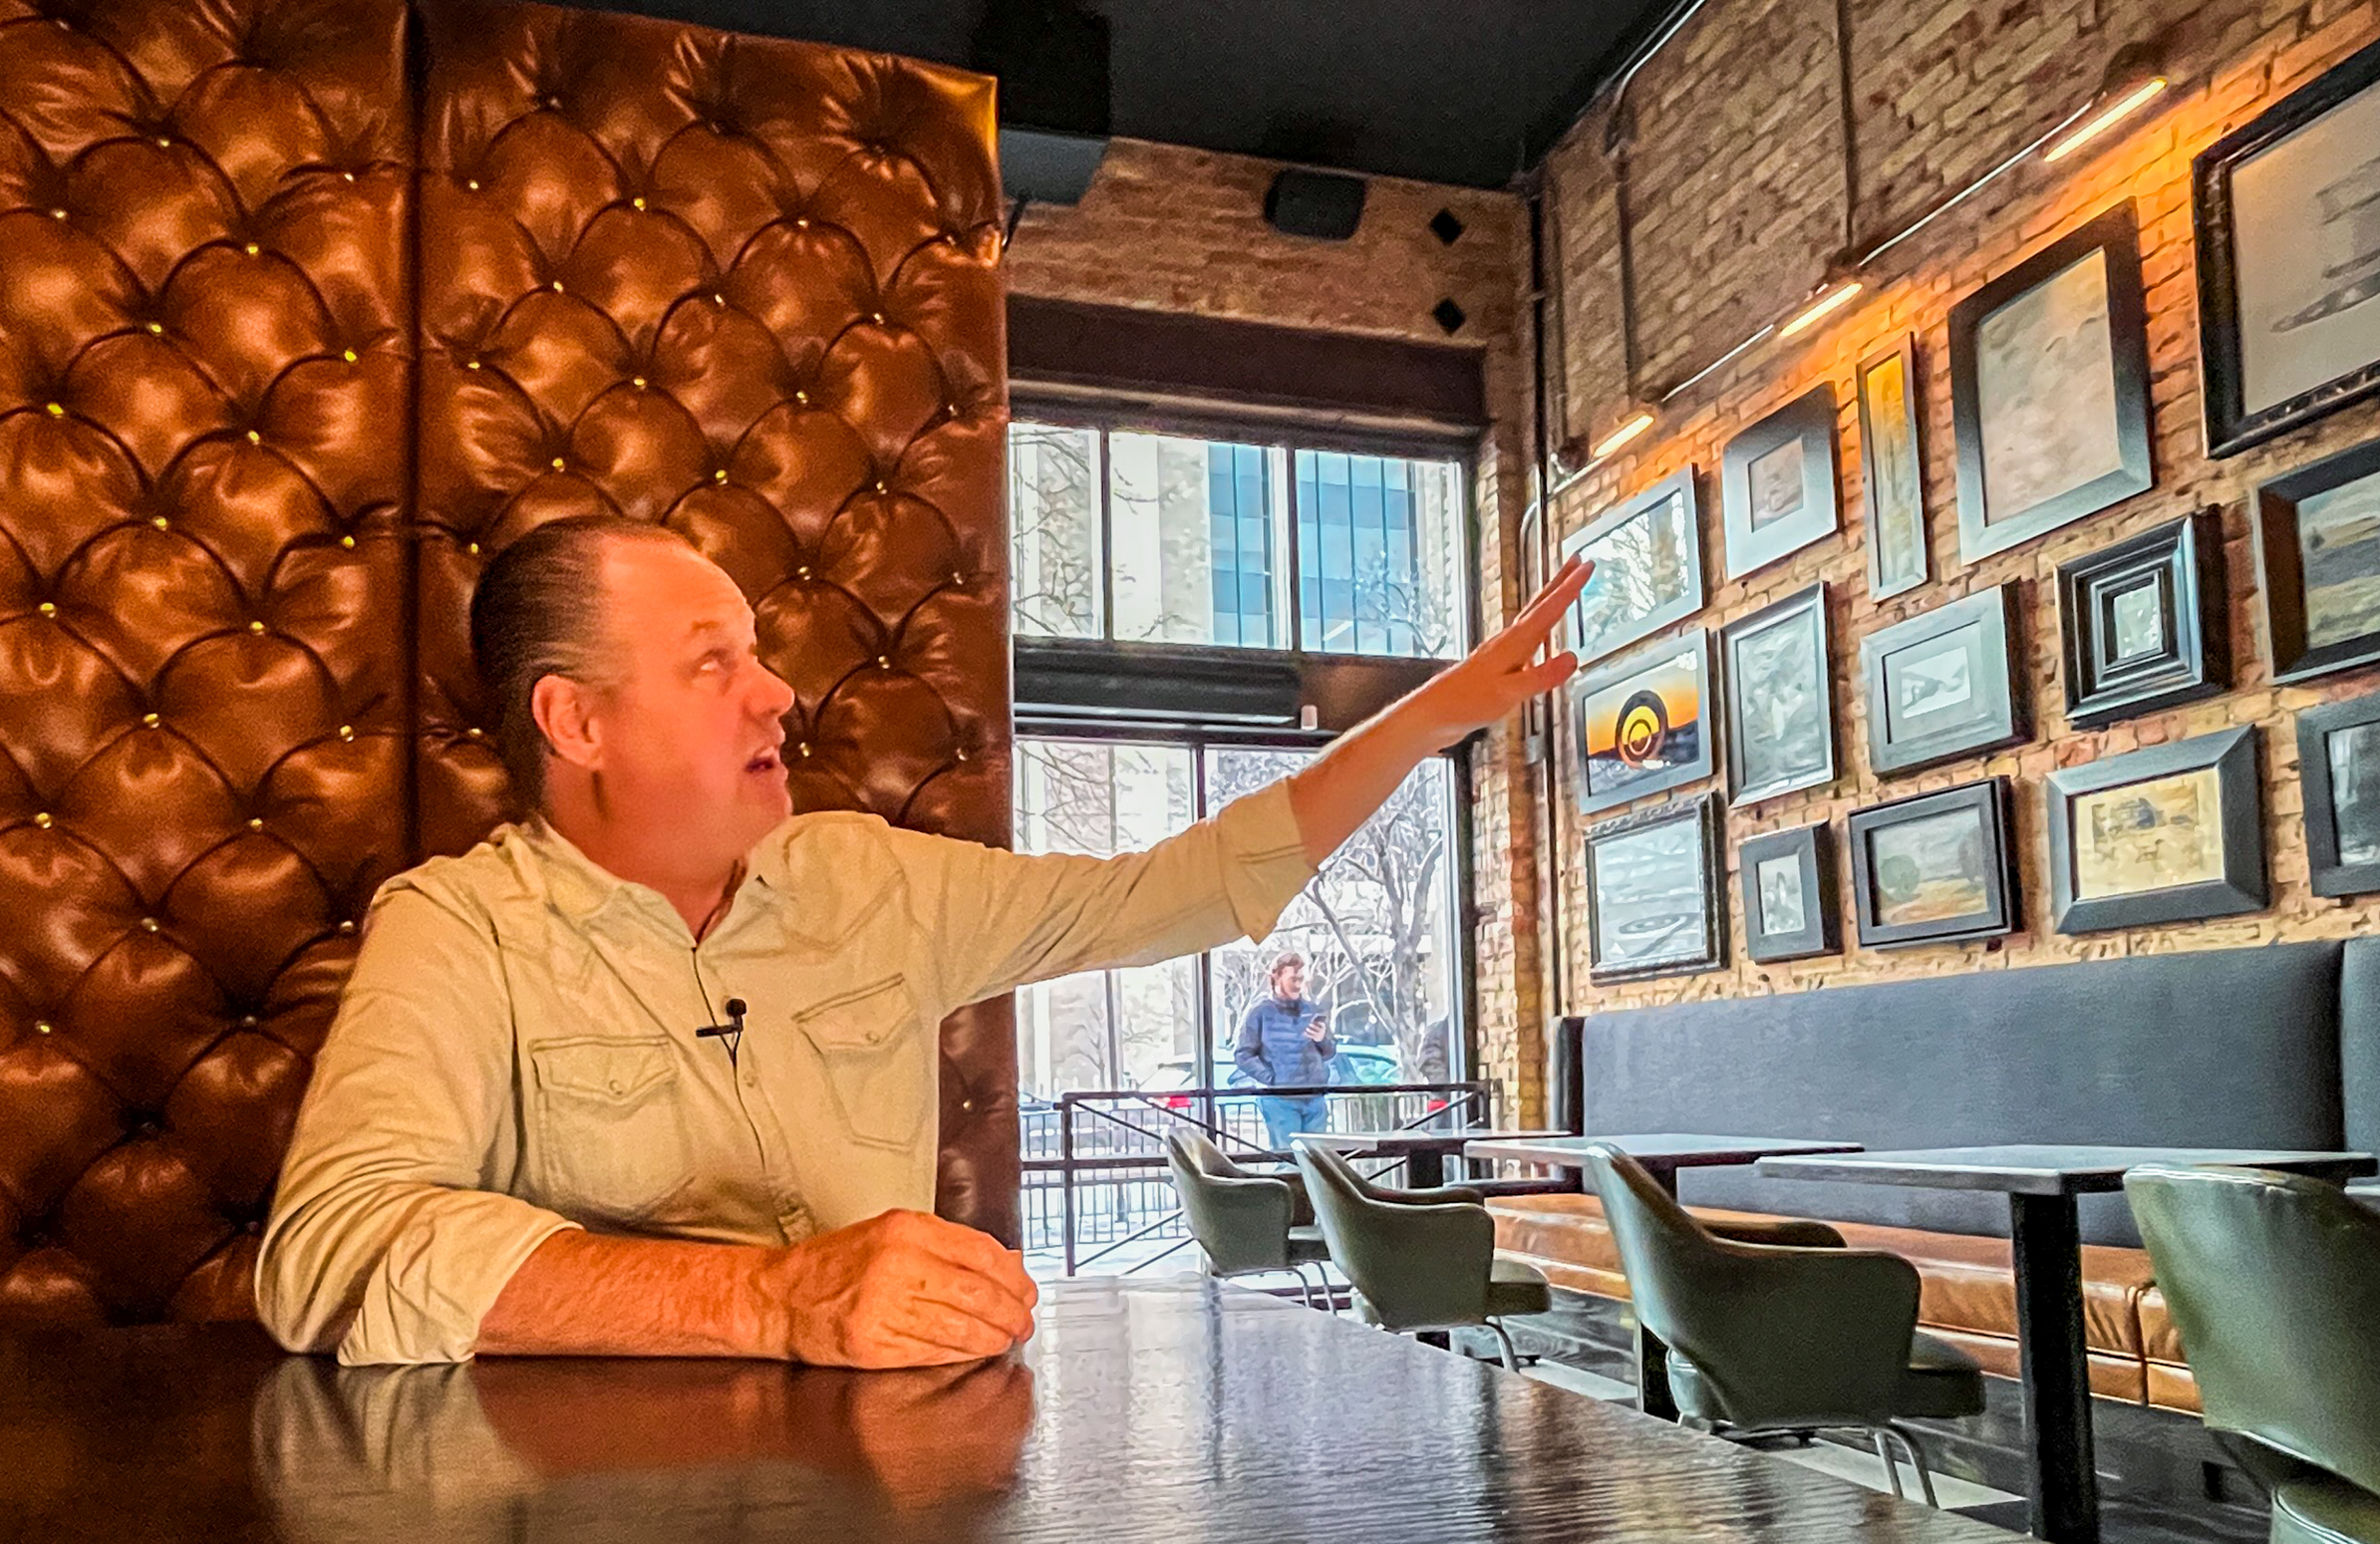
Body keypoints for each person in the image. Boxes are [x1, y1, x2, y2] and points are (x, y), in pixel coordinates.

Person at [254, 516, 1588, 1370]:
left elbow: (1174, 886)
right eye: (711, 660)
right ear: (578, 722)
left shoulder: (868, 878)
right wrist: (765, 1299)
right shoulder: (460, 926)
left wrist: (1434, 715)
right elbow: (332, 1249)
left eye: (760, 651)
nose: (777, 687)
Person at [1232, 953, 1337, 1148]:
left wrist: (1322, 1040)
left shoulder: (1312, 1010)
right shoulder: (1259, 1013)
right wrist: (1272, 1079)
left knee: (1319, 1161)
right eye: (1293, 979)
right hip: (1280, 1099)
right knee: (1288, 1159)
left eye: (1301, 979)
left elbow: (1330, 1052)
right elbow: (1242, 1055)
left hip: (1315, 1096)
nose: (1298, 984)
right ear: (1276, 978)